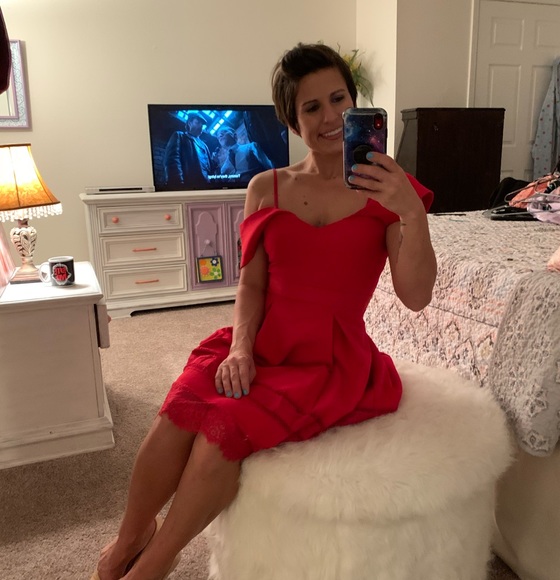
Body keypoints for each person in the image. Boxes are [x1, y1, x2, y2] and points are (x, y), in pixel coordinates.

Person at [91, 42, 437, 580]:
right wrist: (240, 348)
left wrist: (412, 211)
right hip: (259, 341)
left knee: (220, 436)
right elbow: (251, 283)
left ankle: (153, 565)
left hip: (328, 359)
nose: (330, 117)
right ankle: (131, 537)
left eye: (339, 99)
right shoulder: (266, 187)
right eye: (312, 107)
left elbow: (416, 296)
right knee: (176, 415)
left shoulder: (391, 193)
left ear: (356, 103)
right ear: (292, 121)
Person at [163, 113, 215, 189]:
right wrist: (178, 185)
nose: (201, 126)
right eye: (198, 122)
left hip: (206, 187)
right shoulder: (179, 136)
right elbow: (173, 161)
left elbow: (210, 169)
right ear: (189, 123)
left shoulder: (204, 146)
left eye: (202, 124)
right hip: (188, 186)